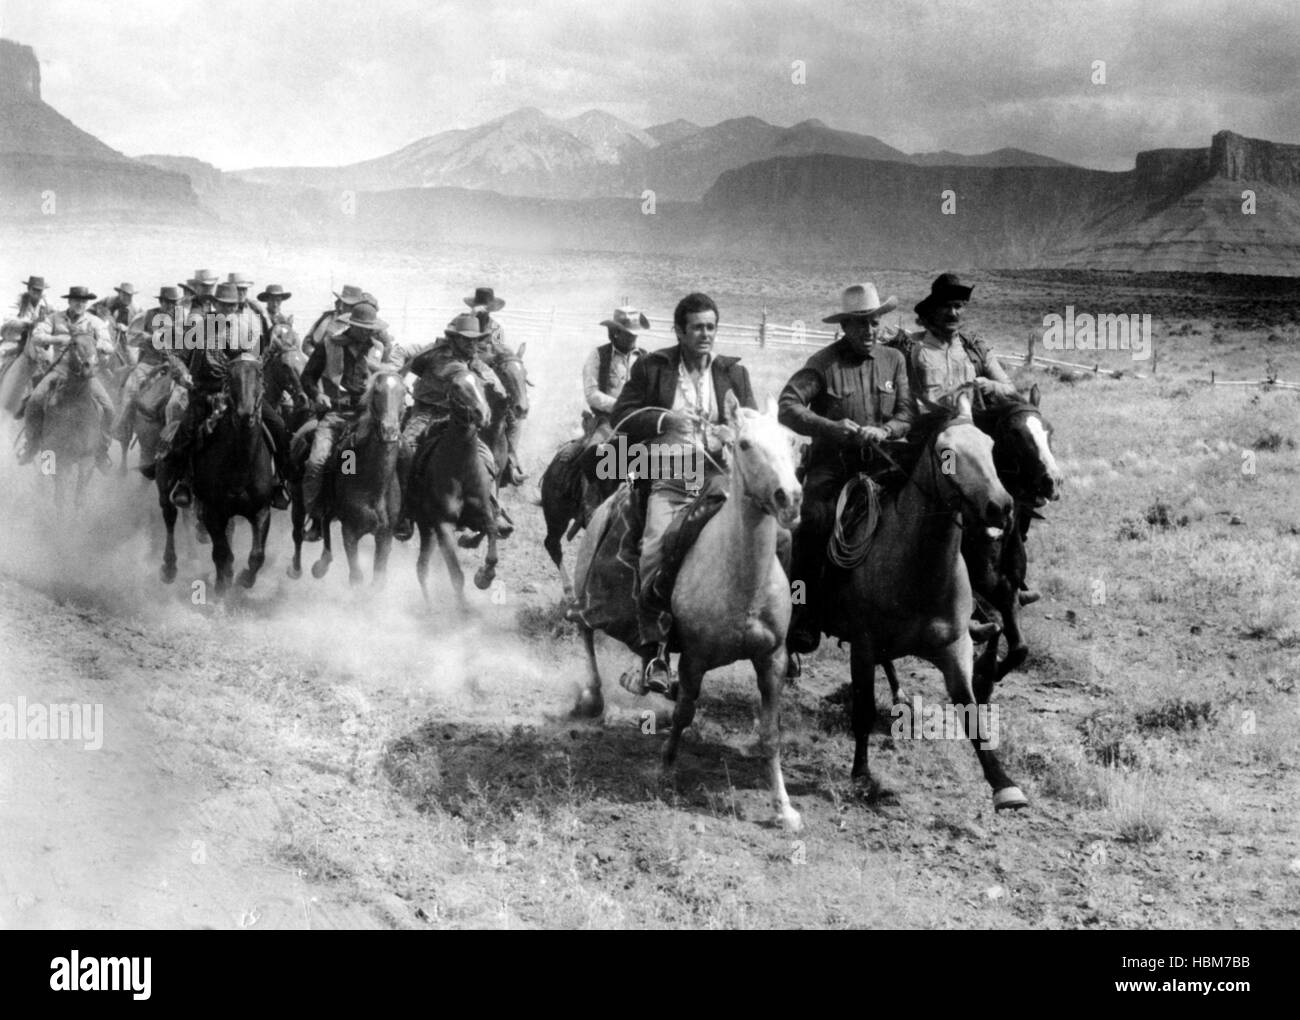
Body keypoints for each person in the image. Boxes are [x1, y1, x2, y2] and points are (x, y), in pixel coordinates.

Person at [609, 292, 756, 694]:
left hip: (722, 478)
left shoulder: (733, 373)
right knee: (656, 547)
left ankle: (778, 634)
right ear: (680, 331)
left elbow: (750, 421)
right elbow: (620, 416)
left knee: (771, 537)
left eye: (711, 327)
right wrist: (664, 418)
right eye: (697, 327)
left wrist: (732, 431)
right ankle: (655, 653)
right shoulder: (654, 367)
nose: (705, 334)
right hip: (671, 475)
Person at [777, 283, 913, 660]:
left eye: (873, 323)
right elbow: (787, 406)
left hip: (884, 463)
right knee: (815, 521)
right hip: (832, 466)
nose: (868, 331)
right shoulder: (823, 364)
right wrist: (831, 428)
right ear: (845, 327)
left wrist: (886, 430)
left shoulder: (894, 360)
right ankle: (802, 611)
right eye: (859, 324)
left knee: (931, 506)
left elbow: (906, 413)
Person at [161, 282, 292, 509]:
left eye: (233, 305)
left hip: (241, 395)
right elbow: (177, 356)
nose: (229, 310)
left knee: (278, 426)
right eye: (224, 305)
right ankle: (183, 481)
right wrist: (182, 374)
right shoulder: (199, 330)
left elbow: (259, 363)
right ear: (214, 304)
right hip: (206, 394)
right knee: (184, 433)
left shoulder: (247, 329)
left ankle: (279, 480)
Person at [391, 313, 513, 543]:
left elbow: (490, 377)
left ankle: (493, 508)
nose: (471, 344)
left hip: (458, 418)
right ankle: (404, 512)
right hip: (426, 414)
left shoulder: (474, 360)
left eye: (475, 340)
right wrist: (393, 371)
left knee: (489, 458)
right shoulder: (435, 353)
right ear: (455, 338)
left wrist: (500, 393)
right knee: (404, 450)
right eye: (466, 339)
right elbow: (402, 351)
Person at [299, 301, 392, 540]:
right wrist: (317, 394)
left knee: (400, 453)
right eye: (363, 328)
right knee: (318, 462)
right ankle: (317, 515)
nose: (368, 333)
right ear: (352, 326)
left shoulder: (378, 348)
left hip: (366, 418)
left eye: (371, 329)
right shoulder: (328, 345)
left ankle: (400, 514)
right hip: (336, 415)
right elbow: (307, 376)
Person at [18, 286, 116, 469]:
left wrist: (94, 343)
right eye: (76, 300)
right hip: (59, 371)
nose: (80, 304)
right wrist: (59, 340)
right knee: (34, 402)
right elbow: (37, 337)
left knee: (109, 408)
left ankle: (102, 450)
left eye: (84, 301)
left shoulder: (94, 322)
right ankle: (31, 446)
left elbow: (109, 345)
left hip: (85, 376)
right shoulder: (54, 318)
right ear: (69, 301)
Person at [892, 273, 1017, 406]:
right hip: (928, 423)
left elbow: (1011, 390)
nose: (952, 313)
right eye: (946, 306)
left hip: (971, 422)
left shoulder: (975, 349)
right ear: (933, 310)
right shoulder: (910, 348)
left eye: (957, 306)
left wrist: (990, 386)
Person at [114, 286, 191, 476]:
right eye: (167, 302)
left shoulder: (184, 318)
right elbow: (131, 338)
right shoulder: (146, 316)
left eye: (174, 303)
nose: (170, 306)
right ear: (161, 302)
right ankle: (122, 430)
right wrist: (149, 337)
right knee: (130, 389)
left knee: (188, 394)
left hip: (174, 364)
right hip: (148, 364)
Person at [465, 285, 526, 485]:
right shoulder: (462, 322)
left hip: (490, 374)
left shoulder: (496, 328)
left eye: (486, 308)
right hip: (465, 370)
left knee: (513, 419)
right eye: (480, 307)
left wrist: (507, 358)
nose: (483, 311)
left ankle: (508, 461)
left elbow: (500, 349)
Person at [0, 275, 52, 376]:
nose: (37, 293)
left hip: (35, 342)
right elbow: (8, 320)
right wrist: (29, 323)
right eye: (35, 289)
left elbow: (54, 318)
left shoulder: (46, 304)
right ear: (28, 289)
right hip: (15, 340)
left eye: (40, 290)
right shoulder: (18, 301)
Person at [302, 283, 363, 357]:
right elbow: (307, 342)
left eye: (349, 305)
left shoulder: (362, 326)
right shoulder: (327, 317)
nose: (342, 307)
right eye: (343, 303)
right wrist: (315, 357)